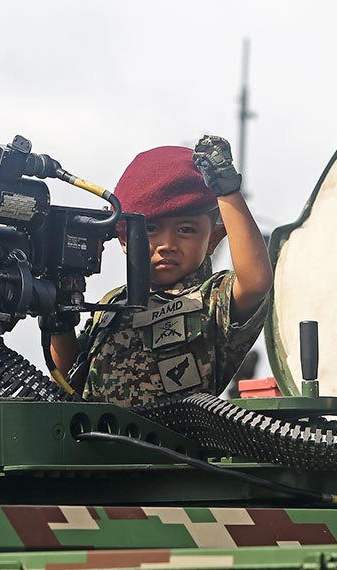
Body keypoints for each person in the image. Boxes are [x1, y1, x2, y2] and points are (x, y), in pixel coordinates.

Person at [45, 136, 273, 407]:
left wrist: (226, 190)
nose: (167, 245)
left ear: (213, 239)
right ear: (124, 238)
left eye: (185, 230)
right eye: (150, 229)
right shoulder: (110, 307)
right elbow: (70, 379)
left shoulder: (213, 299)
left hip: (175, 447)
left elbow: (256, 282)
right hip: (101, 444)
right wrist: (58, 314)